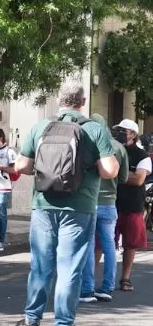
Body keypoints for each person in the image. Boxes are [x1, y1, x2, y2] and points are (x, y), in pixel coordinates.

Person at [14, 84, 119, 326]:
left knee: (41, 266)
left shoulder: (41, 126)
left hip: (43, 203)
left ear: (58, 100)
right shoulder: (94, 128)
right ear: (82, 102)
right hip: (79, 207)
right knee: (70, 268)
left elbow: (21, 166)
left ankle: (32, 318)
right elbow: (110, 170)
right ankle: (63, 322)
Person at [79, 114, 128, 303]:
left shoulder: (87, 144)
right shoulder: (118, 147)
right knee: (109, 246)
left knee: (89, 245)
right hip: (109, 204)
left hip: (89, 201)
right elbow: (123, 178)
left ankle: (87, 289)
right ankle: (107, 288)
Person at [111, 119, 150, 292]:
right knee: (103, 242)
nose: (119, 133)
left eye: (123, 130)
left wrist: (116, 174)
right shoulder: (111, 150)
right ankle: (101, 280)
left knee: (130, 244)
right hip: (111, 203)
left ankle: (125, 278)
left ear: (133, 134)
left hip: (133, 205)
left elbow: (139, 179)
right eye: (118, 130)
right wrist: (127, 175)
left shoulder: (142, 156)